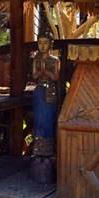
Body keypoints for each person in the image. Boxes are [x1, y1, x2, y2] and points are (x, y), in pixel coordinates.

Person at [30, 32, 60, 183]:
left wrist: (45, 71)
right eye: (40, 42)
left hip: (50, 92)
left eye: (45, 43)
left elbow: (56, 78)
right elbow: (34, 76)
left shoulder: (55, 60)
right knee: (39, 122)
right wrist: (40, 71)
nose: (42, 46)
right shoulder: (35, 59)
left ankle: (47, 154)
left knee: (48, 122)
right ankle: (37, 153)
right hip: (39, 91)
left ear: (51, 44)